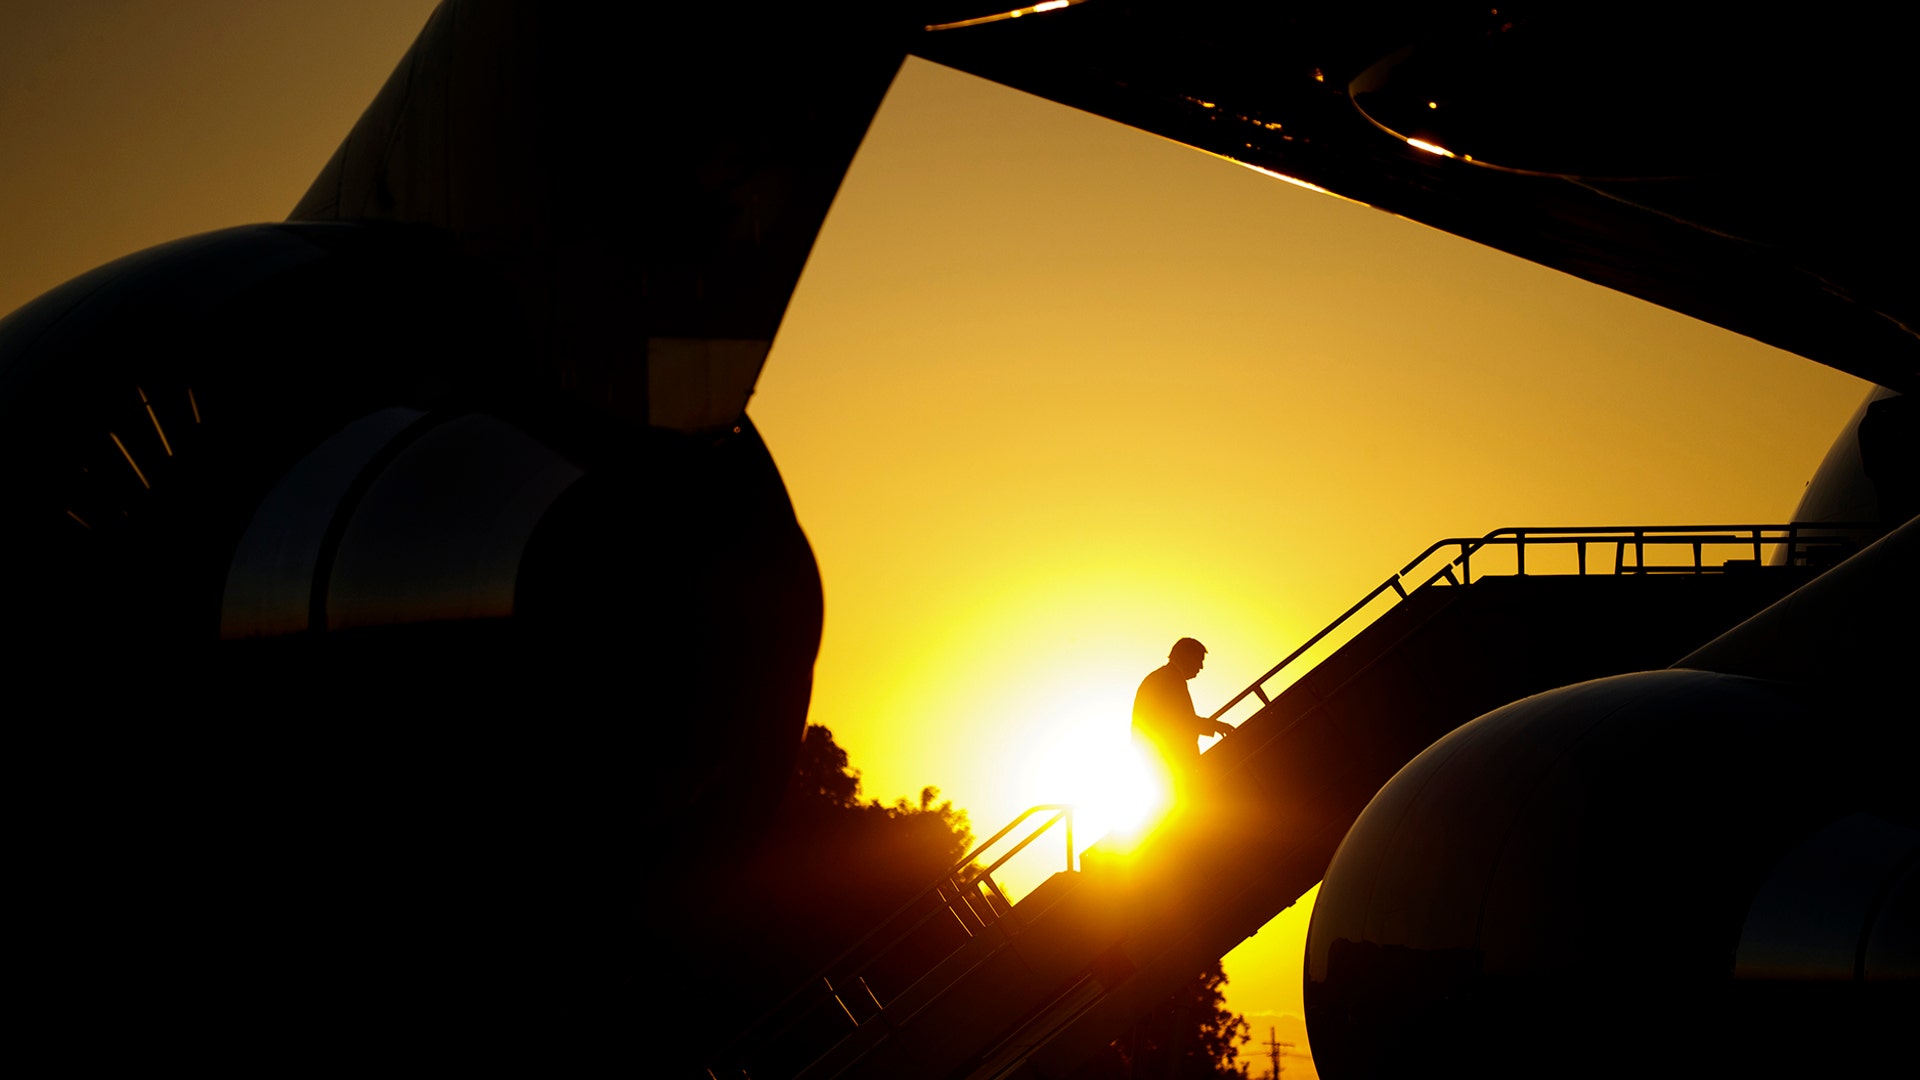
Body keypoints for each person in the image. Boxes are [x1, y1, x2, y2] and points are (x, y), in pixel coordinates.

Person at [1132, 637, 1235, 798]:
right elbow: (1179, 721)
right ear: (1185, 656)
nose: (1201, 667)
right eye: (1199, 660)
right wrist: (1215, 725)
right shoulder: (1169, 679)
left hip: (1161, 764)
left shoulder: (1163, 677)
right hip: (1172, 764)